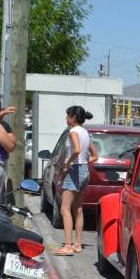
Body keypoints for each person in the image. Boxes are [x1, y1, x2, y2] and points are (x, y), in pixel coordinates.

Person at [53, 105, 98, 255]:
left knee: (64, 209)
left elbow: (77, 150)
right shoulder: (85, 132)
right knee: (77, 208)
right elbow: (95, 156)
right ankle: (77, 244)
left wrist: (68, 163)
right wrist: (82, 162)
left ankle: (67, 246)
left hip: (75, 171)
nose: (66, 118)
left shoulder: (73, 131)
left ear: (73, 117)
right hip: (84, 170)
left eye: (67, 116)